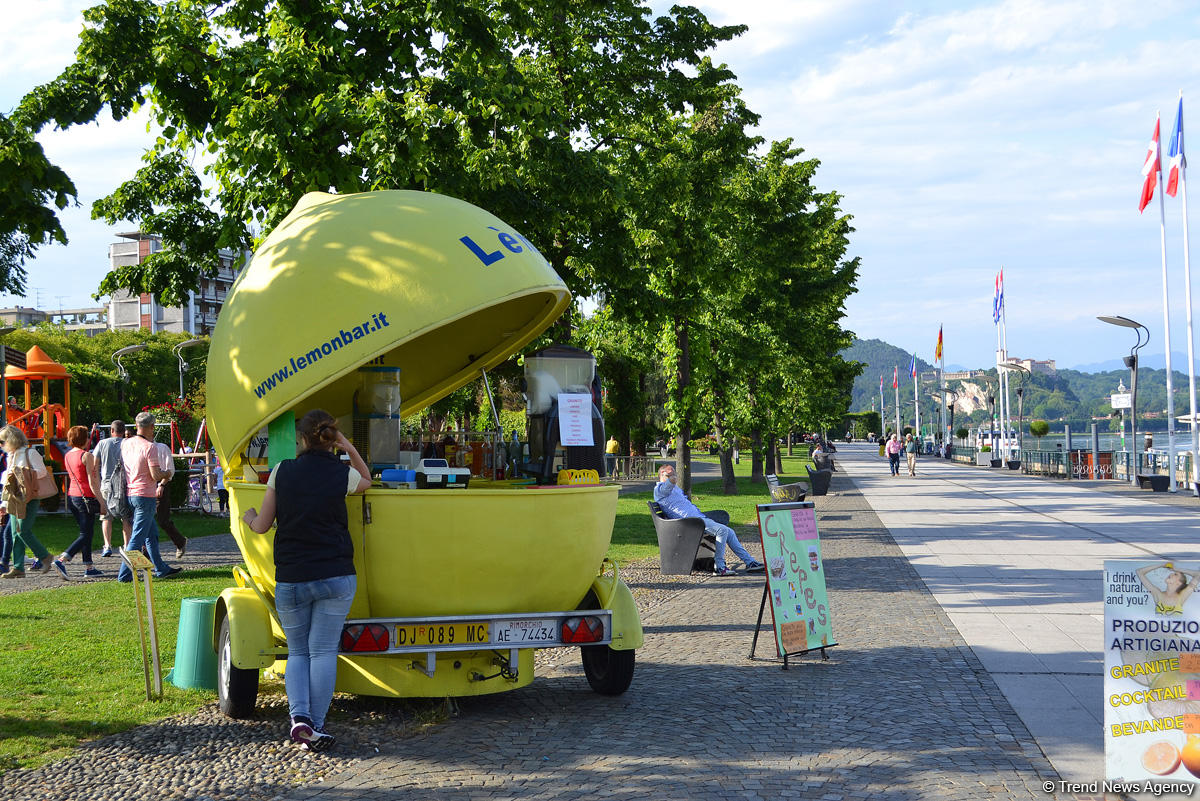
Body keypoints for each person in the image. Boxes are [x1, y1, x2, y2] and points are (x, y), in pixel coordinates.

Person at [242, 409, 371, 751]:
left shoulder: (283, 472)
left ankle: (300, 719)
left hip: (293, 576)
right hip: (336, 575)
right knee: (323, 651)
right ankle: (317, 723)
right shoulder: (341, 474)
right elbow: (367, 479)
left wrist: (249, 516)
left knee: (298, 651)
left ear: (300, 439)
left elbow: (262, 525)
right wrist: (349, 447)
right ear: (332, 439)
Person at [653, 464, 764, 576]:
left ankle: (750, 562)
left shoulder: (673, 488)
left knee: (729, 531)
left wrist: (671, 475)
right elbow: (670, 483)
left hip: (697, 520)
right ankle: (720, 567)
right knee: (722, 531)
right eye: (669, 474)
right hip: (689, 523)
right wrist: (671, 476)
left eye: (674, 473)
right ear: (662, 475)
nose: (674, 476)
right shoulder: (660, 490)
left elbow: (672, 482)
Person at [115, 412, 181, 582]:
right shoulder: (150, 447)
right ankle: (124, 574)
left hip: (130, 493)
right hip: (145, 496)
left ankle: (161, 568)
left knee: (151, 534)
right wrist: (167, 473)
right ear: (151, 427)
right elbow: (155, 475)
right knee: (137, 537)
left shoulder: (126, 443)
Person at [0, 425, 56, 578]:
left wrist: (21, 473)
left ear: (11, 440)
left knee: (22, 530)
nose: (1, 444)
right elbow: (8, 483)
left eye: (2, 441)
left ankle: (44, 556)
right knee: (14, 533)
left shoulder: (30, 453)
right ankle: (18, 567)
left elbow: (42, 472)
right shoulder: (11, 455)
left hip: (29, 497)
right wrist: (4, 504)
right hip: (15, 498)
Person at [55, 425, 106, 579]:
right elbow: (93, 482)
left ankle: (89, 566)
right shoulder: (86, 456)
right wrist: (102, 501)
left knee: (86, 532)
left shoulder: (68, 455)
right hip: (86, 497)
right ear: (84, 439)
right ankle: (62, 559)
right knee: (86, 533)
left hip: (72, 496)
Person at [94, 420, 133, 557]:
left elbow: (95, 464)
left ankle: (107, 545)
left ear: (112, 430)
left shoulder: (102, 444)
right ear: (124, 431)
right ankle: (127, 545)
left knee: (106, 517)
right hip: (124, 484)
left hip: (106, 484)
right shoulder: (127, 444)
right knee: (126, 517)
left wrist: (97, 483)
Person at [152, 439, 188, 559]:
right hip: (145, 485)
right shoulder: (139, 447)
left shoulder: (162, 448)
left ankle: (180, 541)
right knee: (144, 520)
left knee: (163, 520)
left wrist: (161, 485)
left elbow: (169, 470)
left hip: (161, 483)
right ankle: (146, 551)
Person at [1136, 562, 1200, 616]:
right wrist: (1161, 565)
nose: (1171, 573)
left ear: (1179, 583)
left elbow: (1198, 574)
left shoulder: (1182, 596)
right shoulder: (1158, 594)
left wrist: (1177, 569)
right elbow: (1139, 572)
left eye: (1175, 574)